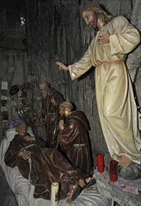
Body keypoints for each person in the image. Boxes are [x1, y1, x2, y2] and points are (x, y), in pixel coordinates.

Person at [56, 2, 141, 175]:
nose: (87, 22)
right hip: (101, 76)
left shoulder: (117, 22)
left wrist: (113, 39)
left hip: (115, 71)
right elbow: (87, 60)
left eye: (88, 17)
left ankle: (135, 153)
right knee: (105, 116)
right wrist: (69, 68)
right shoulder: (95, 40)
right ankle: (121, 154)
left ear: (96, 12)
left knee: (113, 113)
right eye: (85, 20)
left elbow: (134, 36)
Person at [4, 121, 94, 200]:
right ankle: (66, 188)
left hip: (42, 153)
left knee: (54, 153)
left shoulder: (31, 137)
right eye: (21, 127)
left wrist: (34, 139)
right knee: (44, 165)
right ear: (17, 129)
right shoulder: (14, 142)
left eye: (25, 127)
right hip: (30, 160)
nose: (24, 128)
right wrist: (19, 153)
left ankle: (77, 179)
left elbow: (45, 144)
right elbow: (7, 157)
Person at [58, 101, 93, 182]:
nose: (59, 112)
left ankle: (80, 182)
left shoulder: (72, 123)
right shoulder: (77, 117)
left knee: (77, 169)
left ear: (65, 109)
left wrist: (61, 129)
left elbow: (65, 140)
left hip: (77, 152)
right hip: (80, 149)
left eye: (60, 110)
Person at [39, 81, 65, 148]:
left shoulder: (56, 95)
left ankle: (55, 154)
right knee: (49, 138)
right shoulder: (45, 95)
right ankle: (51, 154)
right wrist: (43, 116)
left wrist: (61, 119)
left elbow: (62, 107)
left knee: (54, 139)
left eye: (42, 89)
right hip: (48, 121)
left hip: (55, 120)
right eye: (40, 89)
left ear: (47, 87)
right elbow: (44, 108)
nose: (41, 91)